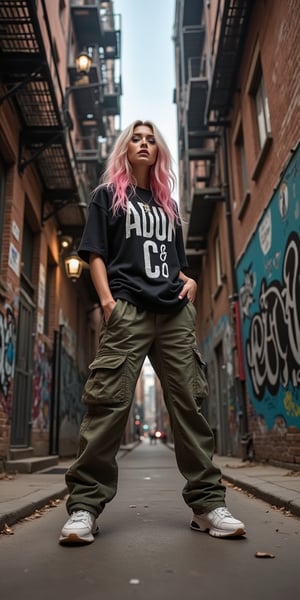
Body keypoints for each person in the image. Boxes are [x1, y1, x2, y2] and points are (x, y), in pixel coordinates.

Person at [59, 120, 246, 544]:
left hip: (174, 312)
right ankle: (85, 508)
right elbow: (95, 255)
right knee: (108, 405)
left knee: (189, 406)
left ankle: (206, 504)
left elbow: (177, 263)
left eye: (150, 140)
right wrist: (108, 304)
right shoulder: (107, 197)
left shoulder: (168, 206)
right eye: (135, 139)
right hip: (128, 309)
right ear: (125, 149)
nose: (143, 144)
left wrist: (192, 282)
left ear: (158, 151)